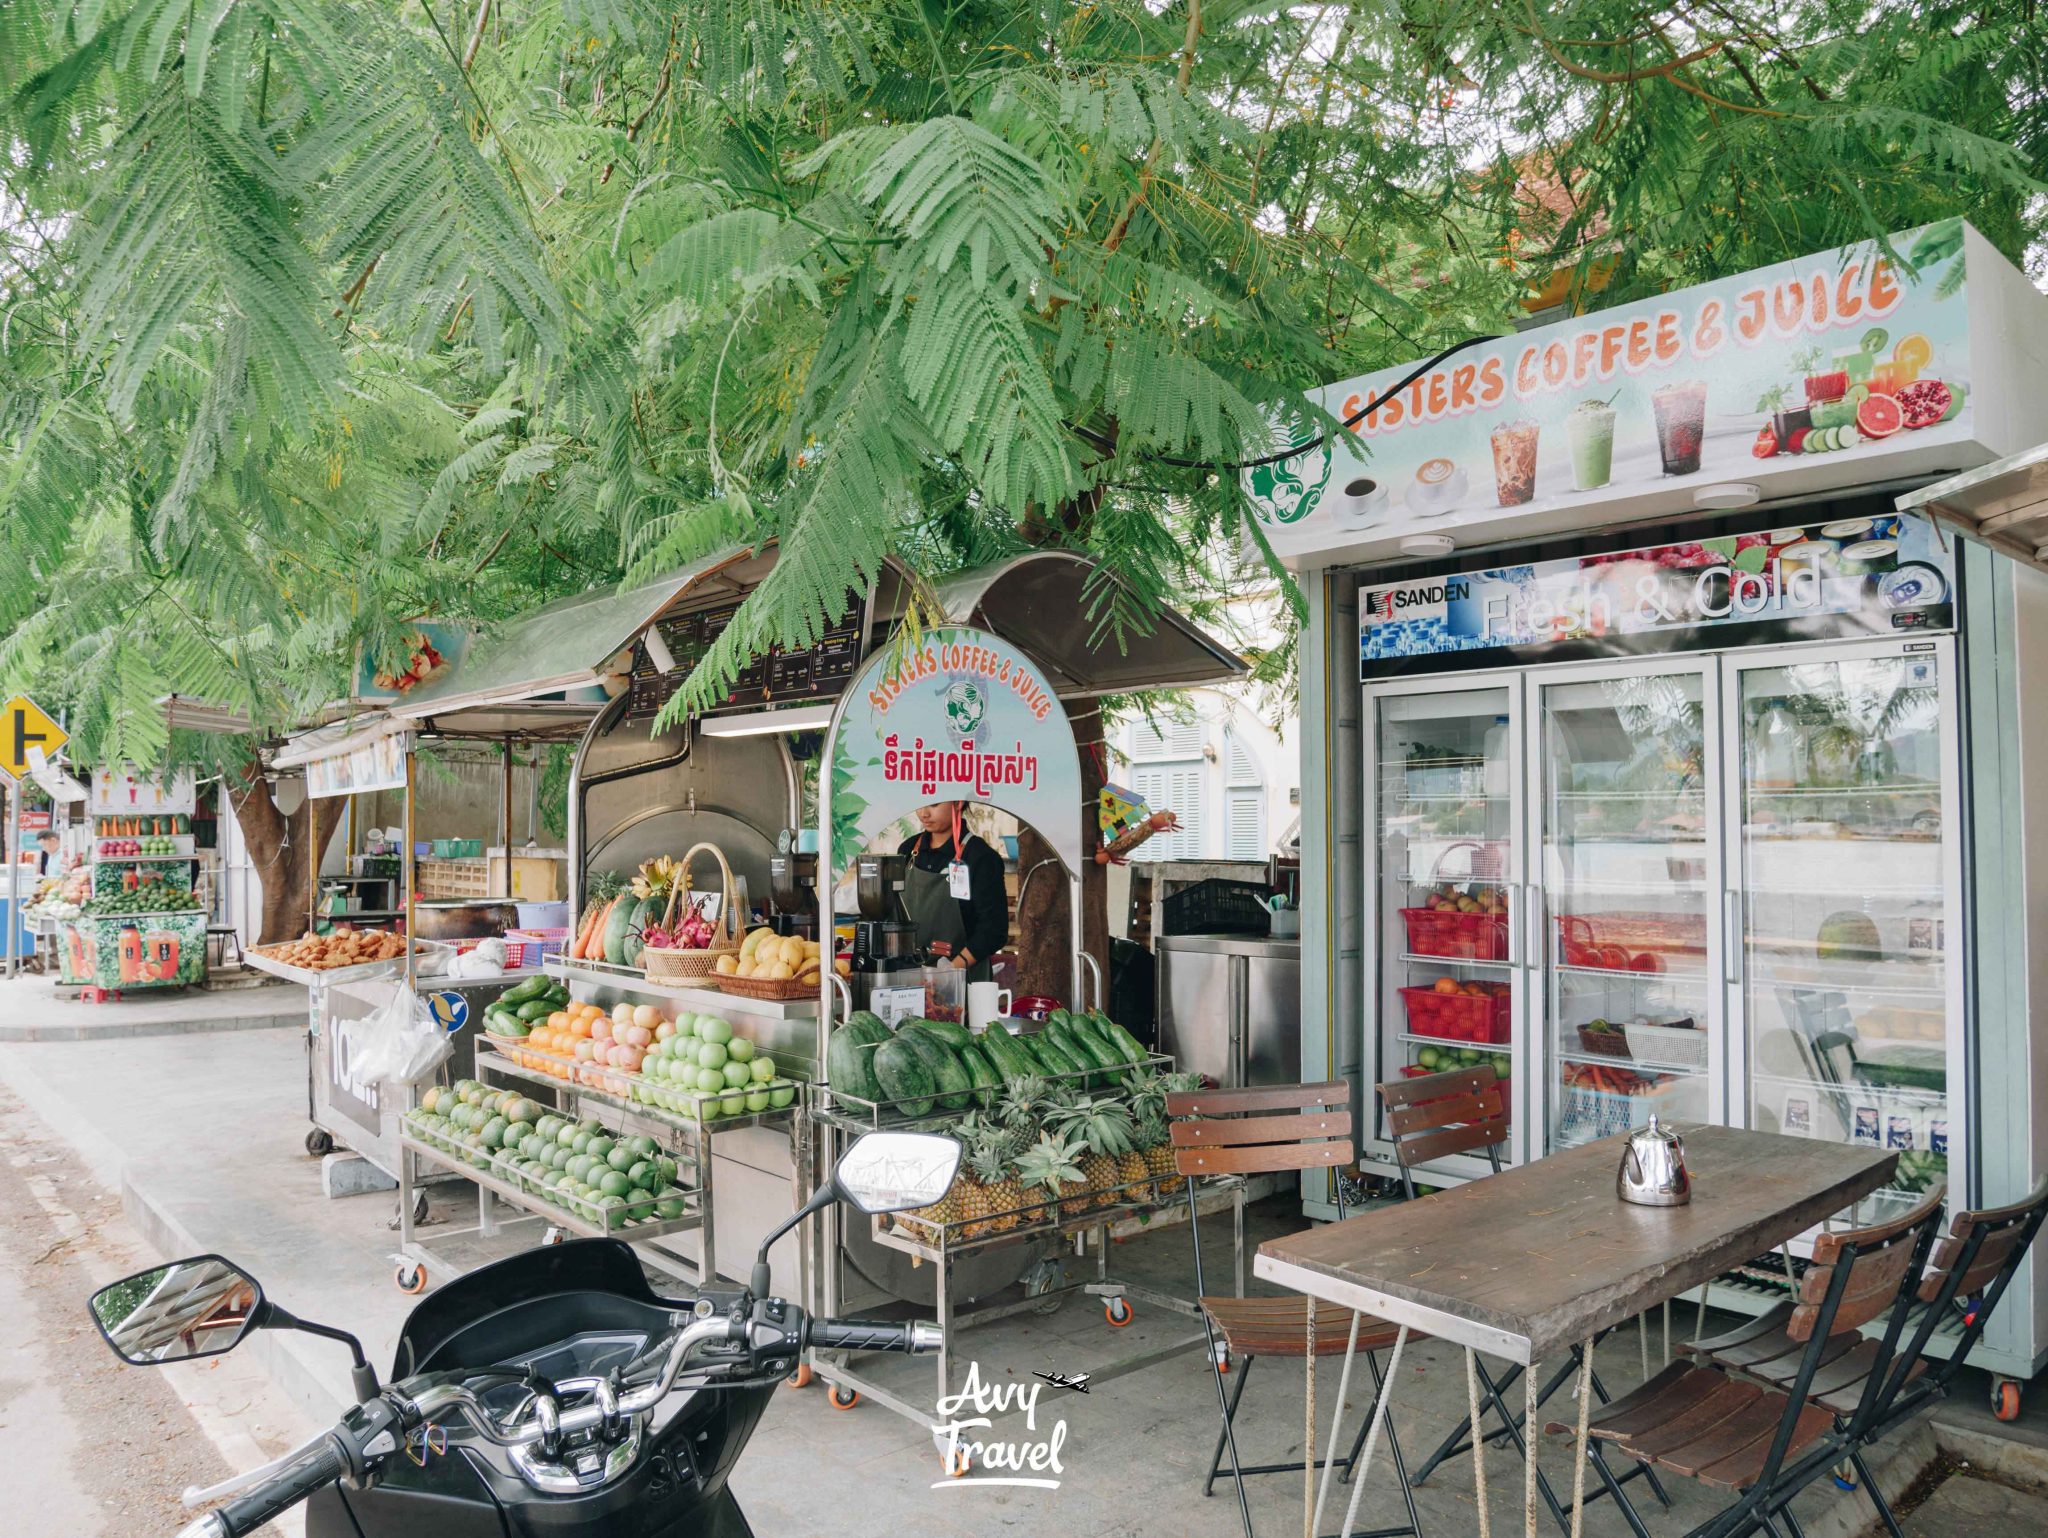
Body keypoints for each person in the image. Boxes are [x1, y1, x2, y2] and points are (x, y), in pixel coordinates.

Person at [897, 801, 1007, 982]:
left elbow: (993, 931)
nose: (924, 813)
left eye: (934, 805)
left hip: (963, 979)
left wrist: (949, 972)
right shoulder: (908, 850)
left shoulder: (980, 857)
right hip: (911, 977)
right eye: (919, 804)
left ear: (958, 803)